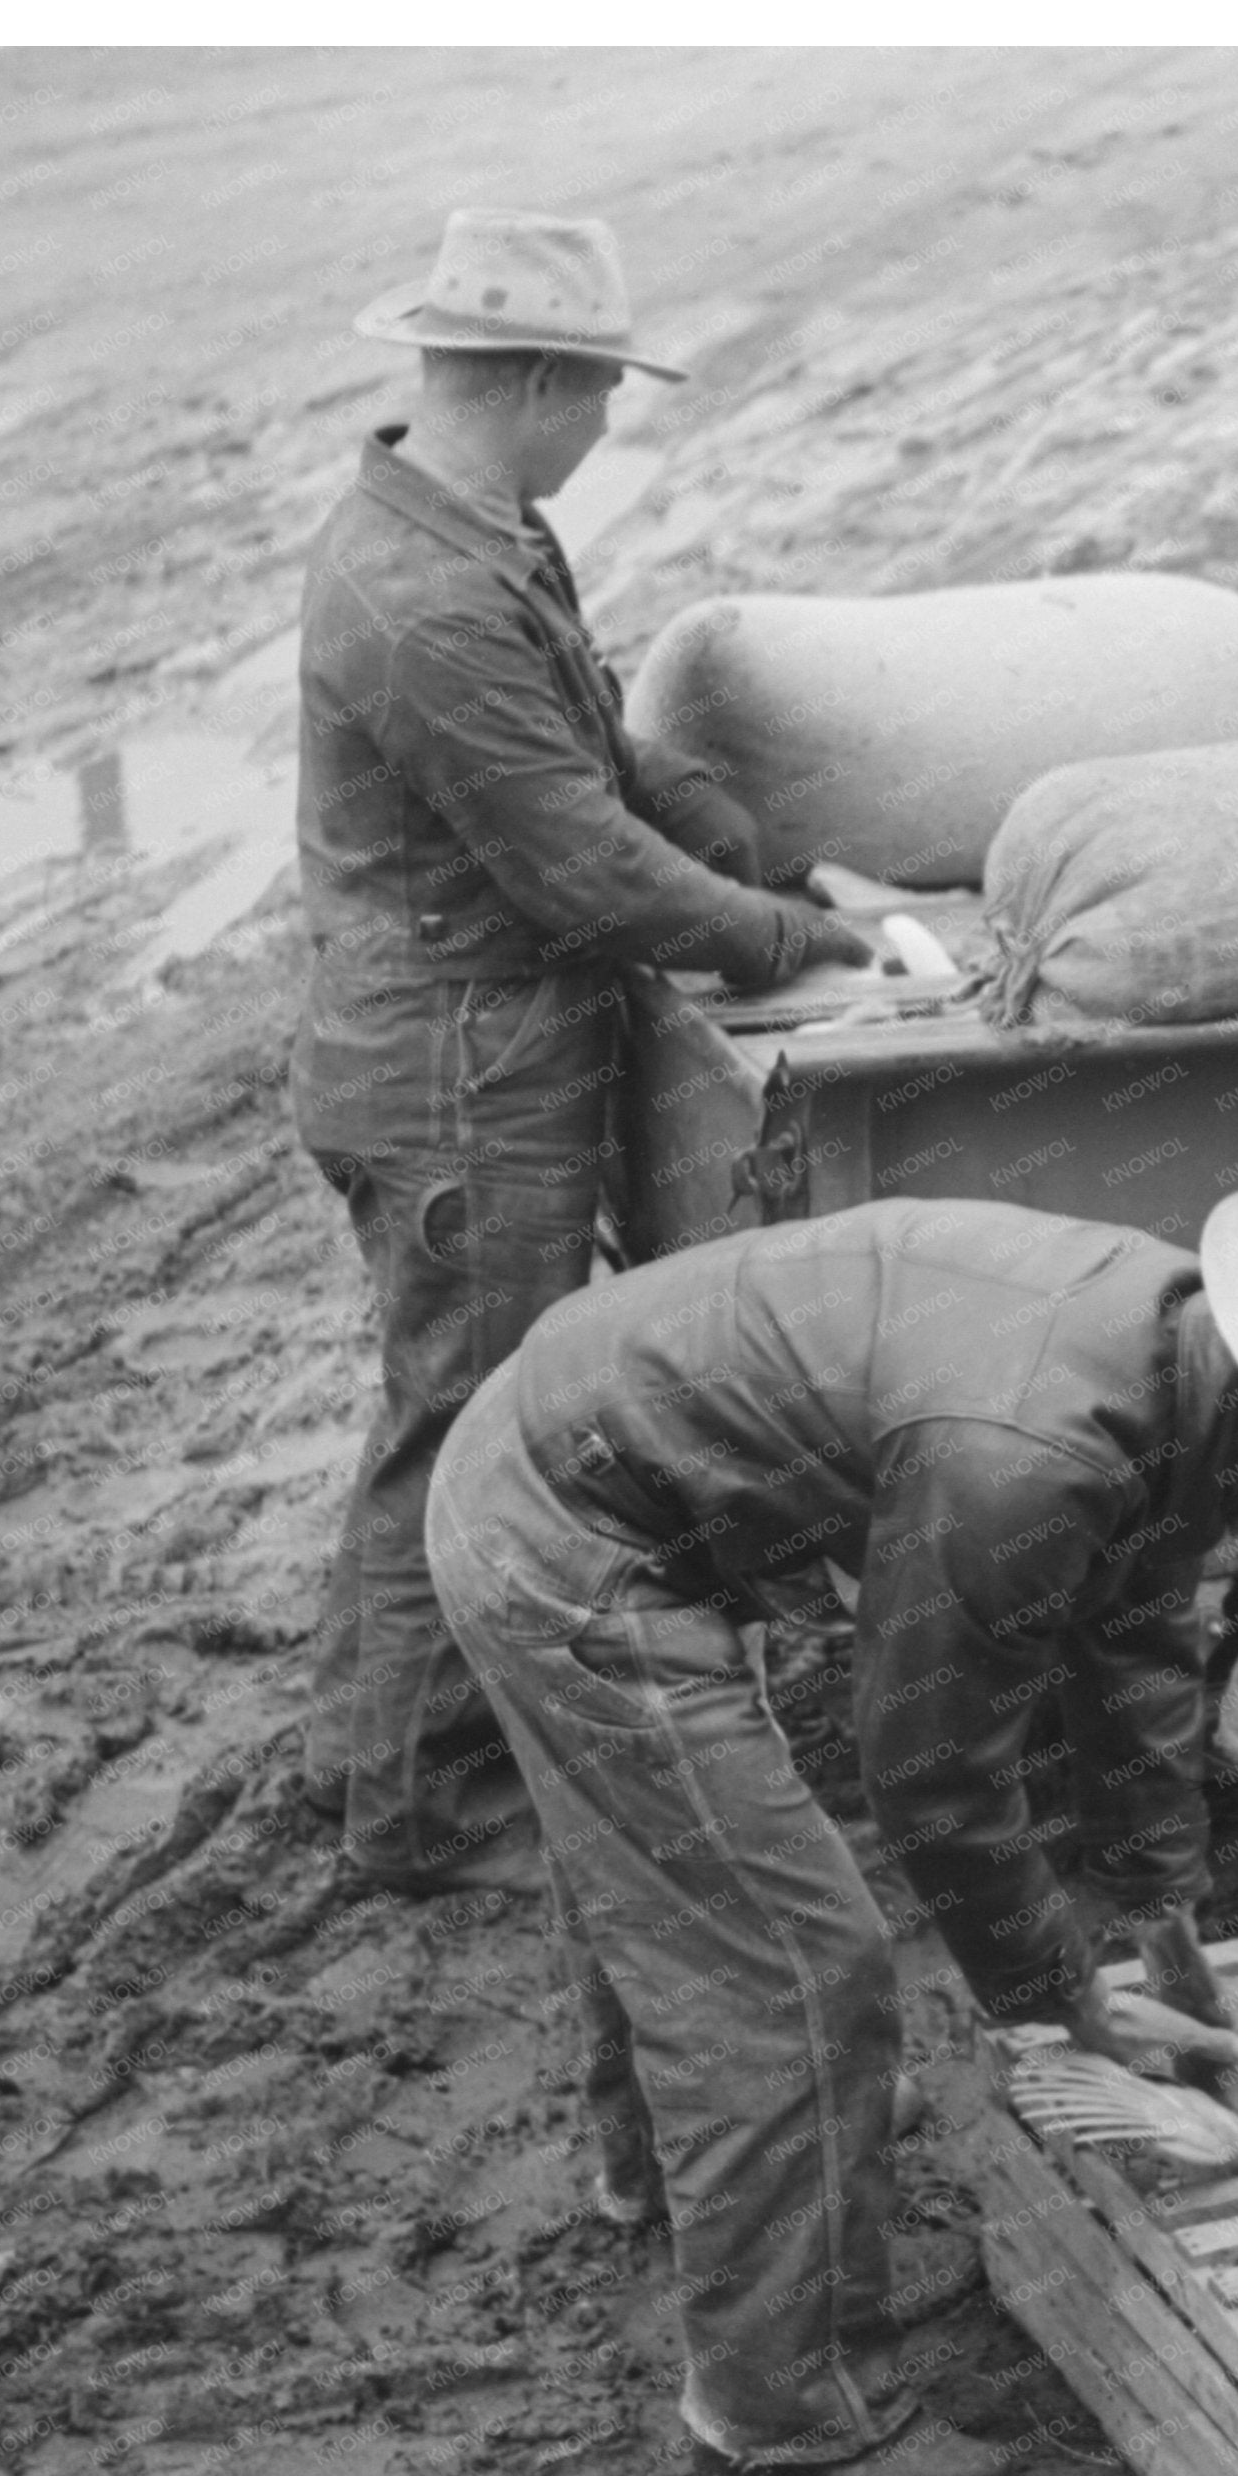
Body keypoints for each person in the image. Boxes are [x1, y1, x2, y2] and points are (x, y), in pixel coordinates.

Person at [427, 1192, 1238, 2476]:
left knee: (684, 1879)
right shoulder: (1027, 1457)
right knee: (800, 1967)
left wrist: (1157, 1892)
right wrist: (1061, 2005)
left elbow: (1139, 1632)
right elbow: (935, 1776)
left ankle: (669, 2176)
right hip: (566, 1533)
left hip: (608, 1458)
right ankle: (787, 2410)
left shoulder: (1185, 1361)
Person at [297, 209, 874, 1896]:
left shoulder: (479, 527)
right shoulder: (421, 594)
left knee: (435, 1417)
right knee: (473, 1435)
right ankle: (426, 1818)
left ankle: (365, 1754)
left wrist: (739, 835)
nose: (611, 420)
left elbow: (597, 755)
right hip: (459, 1081)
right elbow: (576, 864)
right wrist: (789, 939)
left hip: (470, 1047)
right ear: (542, 380)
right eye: (602, 388)